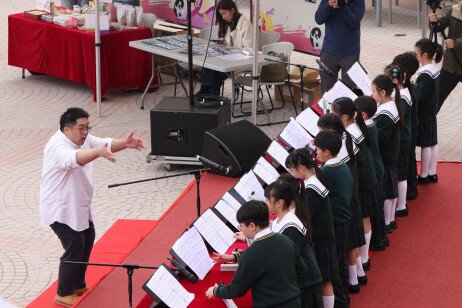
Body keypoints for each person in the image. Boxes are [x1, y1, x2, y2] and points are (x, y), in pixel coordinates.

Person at [39, 107, 145, 307]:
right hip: (59, 209)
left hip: (78, 205)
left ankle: (78, 284)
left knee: (88, 238)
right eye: (82, 128)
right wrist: (98, 152)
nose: (86, 133)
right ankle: (63, 293)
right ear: (67, 129)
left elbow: (103, 143)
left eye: (88, 127)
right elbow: (75, 159)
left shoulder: (81, 137)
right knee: (75, 246)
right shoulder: (56, 146)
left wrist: (125, 143)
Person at [206, 200, 309, 307]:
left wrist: (216, 290)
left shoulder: (250, 254)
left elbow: (236, 290)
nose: (241, 229)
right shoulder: (286, 241)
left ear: (252, 226)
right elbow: (302, 271)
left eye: (241, 226)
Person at [285, 149, 339, 308]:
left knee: (326, 281)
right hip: (322, 235)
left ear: (301, 168)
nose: (292, 173)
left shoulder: (312, 187)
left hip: (322, 239)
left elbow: (304, 215)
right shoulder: (314, 178)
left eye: (292, 170)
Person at [331, 97, 376, 278]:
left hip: (363, 183)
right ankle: (362, 262)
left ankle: (364, 259)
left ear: (343, 117)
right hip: (364, 180)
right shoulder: (353, 129)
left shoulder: (350, 133)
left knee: (363, 221)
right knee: (363, 222)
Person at [264, 178, 323, 308]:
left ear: (279, 203)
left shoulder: (291, 226)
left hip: (306, 283)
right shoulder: (278, 221)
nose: (265, 202)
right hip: (299, 283)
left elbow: (287, 259)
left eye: (268, 200)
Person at [313, 131, 353, 308]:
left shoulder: (327, 171)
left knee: (332, 266)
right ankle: (344, 294)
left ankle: (341, 300)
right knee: (340, 259)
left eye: (318, 150)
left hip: (335, 221)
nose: (316, 153)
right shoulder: (342, 164)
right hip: (343, 218)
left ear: (327, 152)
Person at [197, 0, 253, 96]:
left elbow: (249, 50)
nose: (223, 17)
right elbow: (227, 44)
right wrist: (221, 44)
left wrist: (230, 52)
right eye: (221, 14)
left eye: (225, 13)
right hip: (228, 59)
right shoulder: (227, 24)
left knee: (214, 71)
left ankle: (208, 94)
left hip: (243, 62)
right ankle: (209, 93)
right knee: (209, 64)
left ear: (232, 10)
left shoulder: (246, 25)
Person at [354, 96, 388, 252]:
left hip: (374, 171)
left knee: (373, 210)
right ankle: (380, 237)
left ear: (363, 114)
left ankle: (378, 239)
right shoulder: (369, 124)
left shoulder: (364, 128)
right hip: (377, 168)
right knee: (376, 207)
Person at [371, 74, 403, 234]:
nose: (372, 95)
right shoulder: (391, 106)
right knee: (391, 191)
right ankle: (390, 221)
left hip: (385, 157)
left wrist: (370, 128)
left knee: (386, 193)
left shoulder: (385, 113)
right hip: (391, 156)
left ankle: (386, 221)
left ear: (383, 93)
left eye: (374, 92)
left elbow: (381, 137)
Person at [314, 0, 365, 93]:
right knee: (327, 90)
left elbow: (354, 22)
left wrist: (343, 6)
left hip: (350, 53)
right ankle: (327, 108)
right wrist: (328, 5)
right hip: (329, 51)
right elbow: (318, 19)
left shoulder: (358, 1)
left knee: (350, 91)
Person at [391, 52, 420, 200]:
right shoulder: (409, 87)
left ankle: (410, 189)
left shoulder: (405, 91)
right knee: (409, 157)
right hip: (411, 127)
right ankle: (411, 187)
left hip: (408, 130)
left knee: (407, 159)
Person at [385, 65, 412, 217]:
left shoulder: (401, 96)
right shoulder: (402, 92)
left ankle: (401, 205)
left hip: (401, 140)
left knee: (401, 175)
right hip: (403, 138)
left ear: (394, 80)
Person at [414, 38, 442, 184]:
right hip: (431, 111)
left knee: (425, 144)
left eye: (416, 53)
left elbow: (421, 96)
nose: (415, 56)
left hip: (424, 113)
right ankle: (433, 172)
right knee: (433, 143)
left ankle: (423, 175)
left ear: (424, 55)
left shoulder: (425, 74)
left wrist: (413, 89)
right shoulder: (434, 67)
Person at [429, 2, 462, 112]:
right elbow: (438, 27)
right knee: (436, 99)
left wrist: (455, 43)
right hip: (451, 64)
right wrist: (434, 21)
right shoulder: (453, 10)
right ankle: (428, 126)